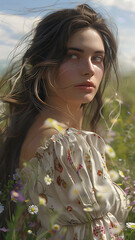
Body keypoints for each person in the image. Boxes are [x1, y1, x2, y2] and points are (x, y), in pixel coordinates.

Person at [0, 3, 129, 239]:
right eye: (73, 55)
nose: (89, 70)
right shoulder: (61, 144)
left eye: (97, 58)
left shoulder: (33, 126)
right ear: (43, 62)